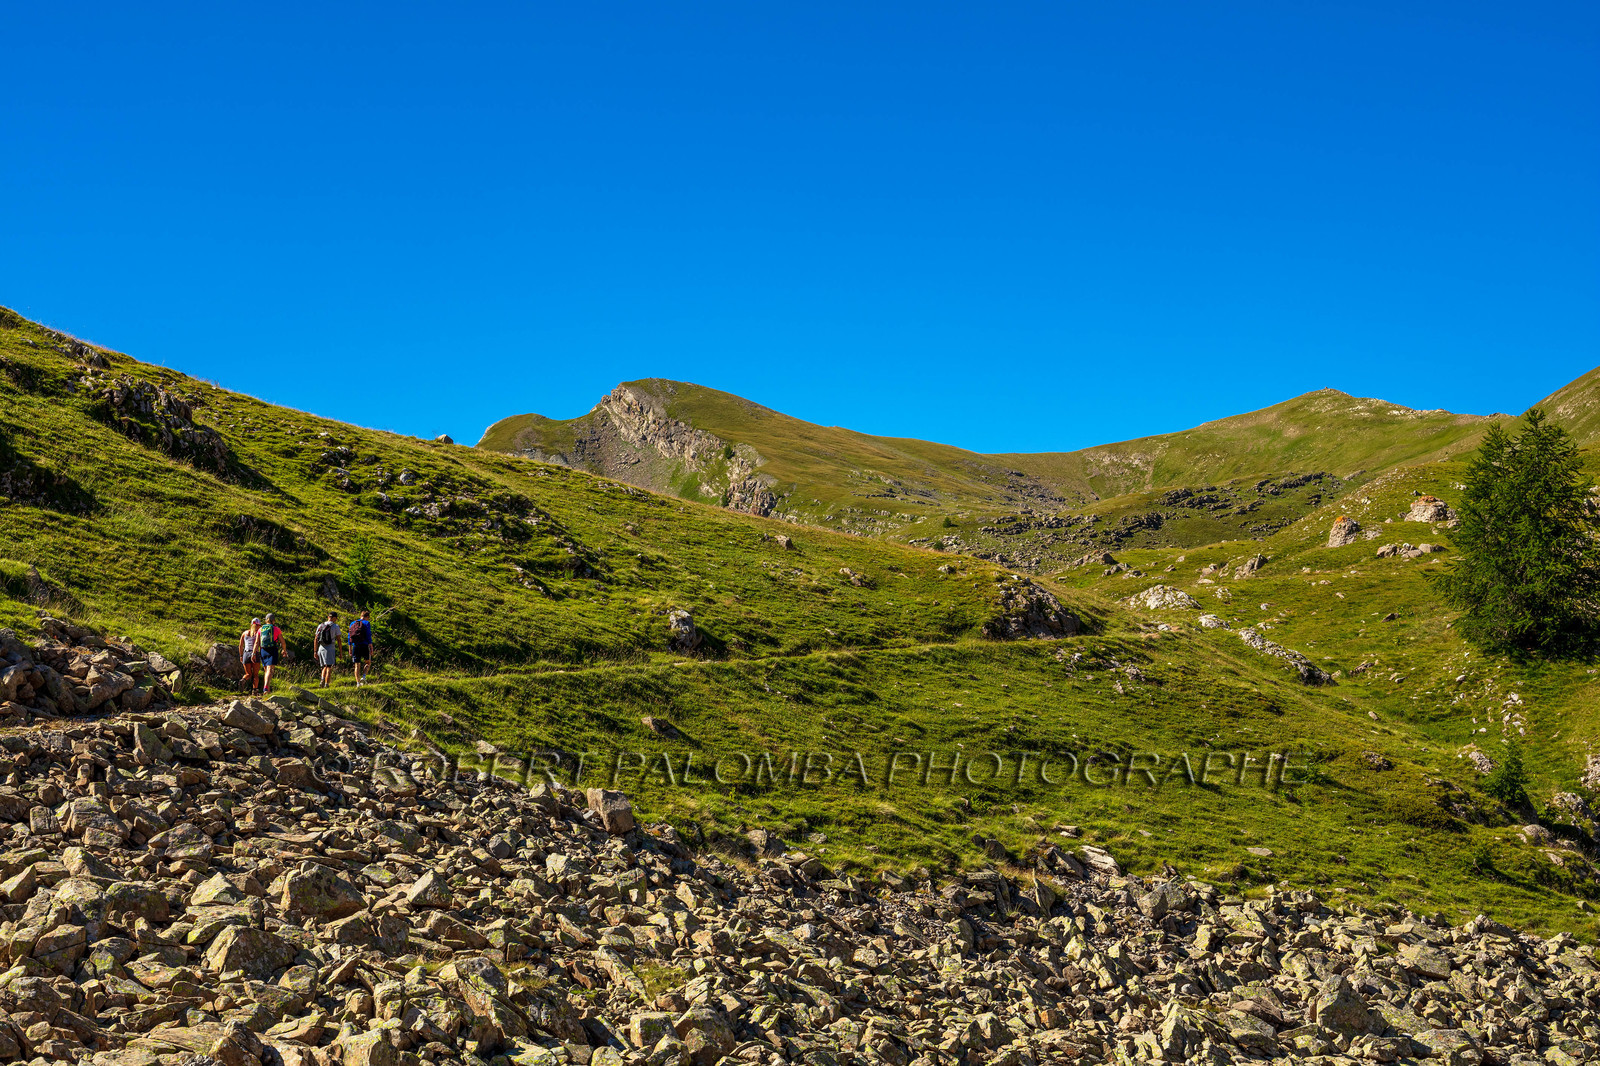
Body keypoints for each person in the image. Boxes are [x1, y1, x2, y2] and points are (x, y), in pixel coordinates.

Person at [259, 613, 284, 694]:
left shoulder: (261, 629)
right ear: (273, 621)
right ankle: (266, 687)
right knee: (270, 669)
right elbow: (282, 641)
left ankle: (267, 689)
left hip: (263, 650)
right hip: (272, 650)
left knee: (266, 670)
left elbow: (256, 642)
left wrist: (254, 653)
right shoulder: (276, 629)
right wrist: (284, 650)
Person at [348, 609, 374, 687]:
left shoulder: (352, 623)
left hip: (355, 646)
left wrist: (350, 648)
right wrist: (371, 646)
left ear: (361, 616)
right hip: (364, 645)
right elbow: (368, 635)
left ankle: (358, 683)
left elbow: (349, 636)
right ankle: (363, 677)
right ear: (367, 617)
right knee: (368, 662)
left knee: (357, 665)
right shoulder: (367, 623)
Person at [314, 611, 340, 688]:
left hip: (321, 647)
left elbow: (316, 639)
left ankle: (322, 679)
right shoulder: (335, 626)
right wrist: (340, 652)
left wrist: (315, 651)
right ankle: (326, 684)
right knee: (329, 666)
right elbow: (339, 640)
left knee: (323, 666)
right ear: (334, 618)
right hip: (330, 648)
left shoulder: (320, 625)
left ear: (328, 617)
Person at [238, 617, 262, 696]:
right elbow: (260, 644)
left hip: (246, 654)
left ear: (251, 625)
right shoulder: (258, 634)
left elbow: (240, 645)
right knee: (255, 675)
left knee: (248, 674)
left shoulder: (244, 633)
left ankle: (243, 680)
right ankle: (255, 691)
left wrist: (241, 655)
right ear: (259, 626)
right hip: (255, 653)